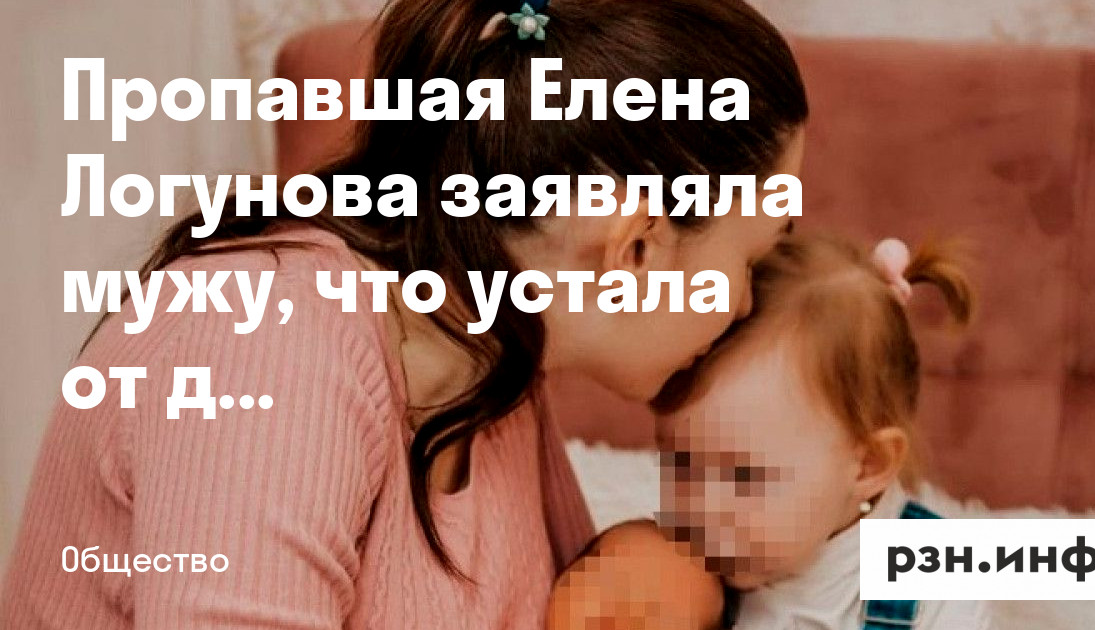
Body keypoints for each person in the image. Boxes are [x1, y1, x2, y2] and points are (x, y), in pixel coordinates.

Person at [0, 0, 809, 627]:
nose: (744, 303)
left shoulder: (493, 353)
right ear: (636, 245)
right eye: (751, 258)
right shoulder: (262, 348)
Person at [549, 234, 994, 629]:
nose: (701, 512)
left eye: (744, 477)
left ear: (867, 465)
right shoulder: (683, 568)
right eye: (680, 464)